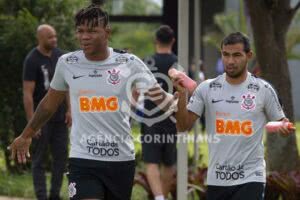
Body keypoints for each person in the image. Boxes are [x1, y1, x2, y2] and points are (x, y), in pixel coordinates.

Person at [9, 4, 173, 200]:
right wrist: (26, 134)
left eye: (92, 31)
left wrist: (182, 96)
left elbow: (163, 100)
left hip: (120, 160)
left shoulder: (130, 63)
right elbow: (49, 104)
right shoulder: (67, 63)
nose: (84, 36)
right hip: (83, 159)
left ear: (107, 32)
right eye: (81, 31)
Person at [173, 32, 295, 200]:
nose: (230, 61)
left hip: (251, 177)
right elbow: (182, 126)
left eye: (237, 55)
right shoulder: (207, 88)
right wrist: (181, 95)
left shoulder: (263, 89)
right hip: (217, 179)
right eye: (226, 55)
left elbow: (282, 121)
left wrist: (284, 127)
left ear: (249, 55)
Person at [22, 24, 71, 200]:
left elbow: (66, 86)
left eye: (55, 36)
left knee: (60, 159)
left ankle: (55, 195)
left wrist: (70, 109)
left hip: (59, 118)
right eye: (50, 37)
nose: (54, 40)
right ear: (40, 38)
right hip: (41, 118)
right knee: (39, 159)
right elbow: (27, 93)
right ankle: (41, 196)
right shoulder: (32, 59)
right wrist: (32, 124)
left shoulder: (60, 56)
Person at [141, 25, 177, 200]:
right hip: (172, 117)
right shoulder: (178, 62)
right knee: (169, 161)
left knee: (151, 160)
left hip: (150, 118)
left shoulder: (146, 61)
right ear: (173, 41)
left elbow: (135, 90)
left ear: (156, 40)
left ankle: (158, 197)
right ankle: (162, 195)